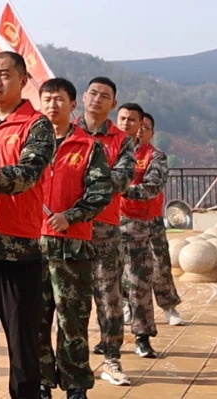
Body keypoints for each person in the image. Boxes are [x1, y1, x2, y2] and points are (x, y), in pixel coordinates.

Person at [0, 52, 56, 399]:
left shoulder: (37, 125)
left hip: (18, 253)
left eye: (5, 74)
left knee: (24, 352)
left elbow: (26, 175)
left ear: (23, 81)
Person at [35, 78, 112, 399]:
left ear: (72, 104)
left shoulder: (88, 146)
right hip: (32, 246)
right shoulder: (30, 146)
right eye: (47, 99)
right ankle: (41, 381)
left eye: (59, 99)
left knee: (73, 320)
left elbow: (101, 191)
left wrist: (72, 215)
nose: (53, 105)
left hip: (73, 246)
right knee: (35, 319)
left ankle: (76, 384)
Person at [75, 78, 138, 387]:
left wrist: (80, 180)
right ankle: (73, 366)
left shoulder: (121, 140)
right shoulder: (66, 132)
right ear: (83, 97)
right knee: (70, 302)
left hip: (104, 229)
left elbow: (122, 180)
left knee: (109, 299)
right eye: (93, 93)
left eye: (105, 96)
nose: (97, 99)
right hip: (68, 230)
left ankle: (112, 360)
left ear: (113, 104)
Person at [120, 111, 183, 358]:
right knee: (121, 271)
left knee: (159, 264)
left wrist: (119, 188)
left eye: (145, 127)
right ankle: (126, 308)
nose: (139, 130)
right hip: (119, 220)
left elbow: (151, 186)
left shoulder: (154, 156)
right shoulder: (117, 152)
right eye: (137, 125)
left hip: (149, 218)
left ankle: (168, 306)